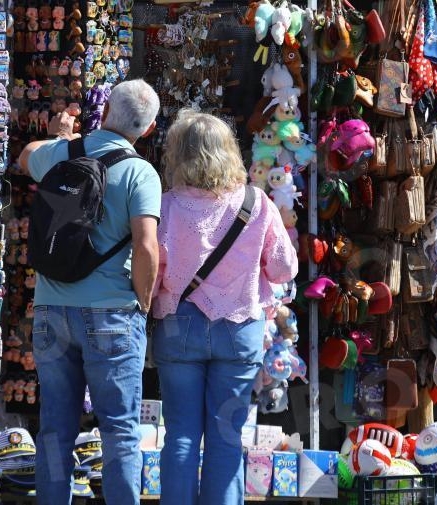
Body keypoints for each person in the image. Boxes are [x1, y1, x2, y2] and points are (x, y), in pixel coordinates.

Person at [19, 79, 161, 505]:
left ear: (105, 112)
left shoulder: (62, 154)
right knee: (119, 429)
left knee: (55, 428)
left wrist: (61, 137)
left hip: (51, 309)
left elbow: (26, 155)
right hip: (112, 312)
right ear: (149, 129)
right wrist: (143, 303)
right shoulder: (140, 173)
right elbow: (146, 246)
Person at [151, 110, 298, 505]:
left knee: (181, 435)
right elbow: (284, 269)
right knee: (226, 438)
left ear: (178, 154)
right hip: (240, 329)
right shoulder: (256, 202)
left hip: (178, 326)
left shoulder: (166, 206)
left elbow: (151, 273)